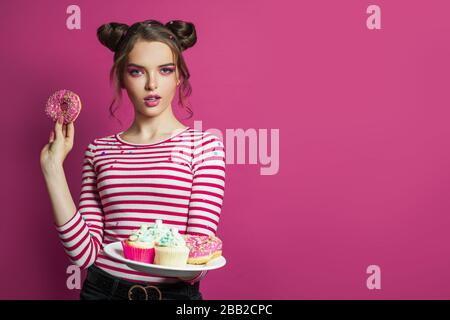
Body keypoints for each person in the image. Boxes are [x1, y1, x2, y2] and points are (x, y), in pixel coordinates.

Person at [40, 19, 226, 300]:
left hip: (173, 296)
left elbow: (196, 264)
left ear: (178, 77)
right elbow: (83, 253)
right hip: (102, 292)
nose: (152, 84)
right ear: (123, 79)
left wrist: (153, 246)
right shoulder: (98, 151)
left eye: (165, 70)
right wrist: (52, 168)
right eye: (137, 72)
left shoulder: (204, 147)